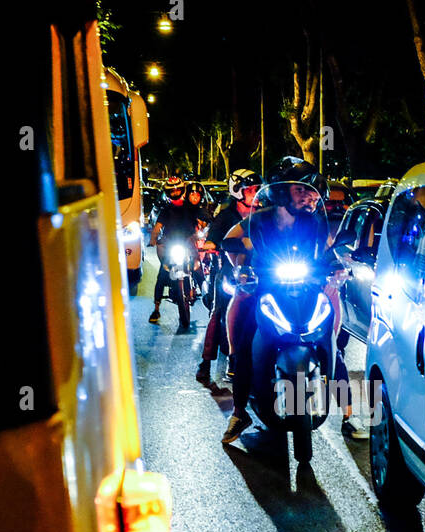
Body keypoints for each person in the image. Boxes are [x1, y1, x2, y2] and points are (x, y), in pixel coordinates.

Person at [219, 159, 360, 445]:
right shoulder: (258, 220)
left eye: (312, 192)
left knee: (331, 340)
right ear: (283, 192)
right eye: (301, 190)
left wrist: (338, 267)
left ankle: (349, 412)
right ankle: (239, 412)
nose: (309, 197)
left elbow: (328, 250)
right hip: (267, 289)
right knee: (245, 340)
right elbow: (229, 240)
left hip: (308, 288)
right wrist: (242, 267)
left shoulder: (316, 222)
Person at [195, 168, 261, 389]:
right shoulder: (226, 217)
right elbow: (213, 239)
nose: (255, 194)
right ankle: (206, 362)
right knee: (220, 308)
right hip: (230, 271)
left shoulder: (264, 214)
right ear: (237, 191)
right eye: (250, 190)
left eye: (257, 189)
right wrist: (213, 244)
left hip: (262, 270)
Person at [146, 175, 208, 325]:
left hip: (189, 244)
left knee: (199, 272)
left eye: (177, 190)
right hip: (171, 245)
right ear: (167, 193)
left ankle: (210, 301)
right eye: (171, 191)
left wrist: (201, 231)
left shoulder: (191, 208)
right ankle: (156, 308)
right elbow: (157, 228)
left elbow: (204, 222)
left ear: (182, 190)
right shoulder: (166, 210)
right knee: (162, 275)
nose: (175, 193)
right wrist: (153, 240)